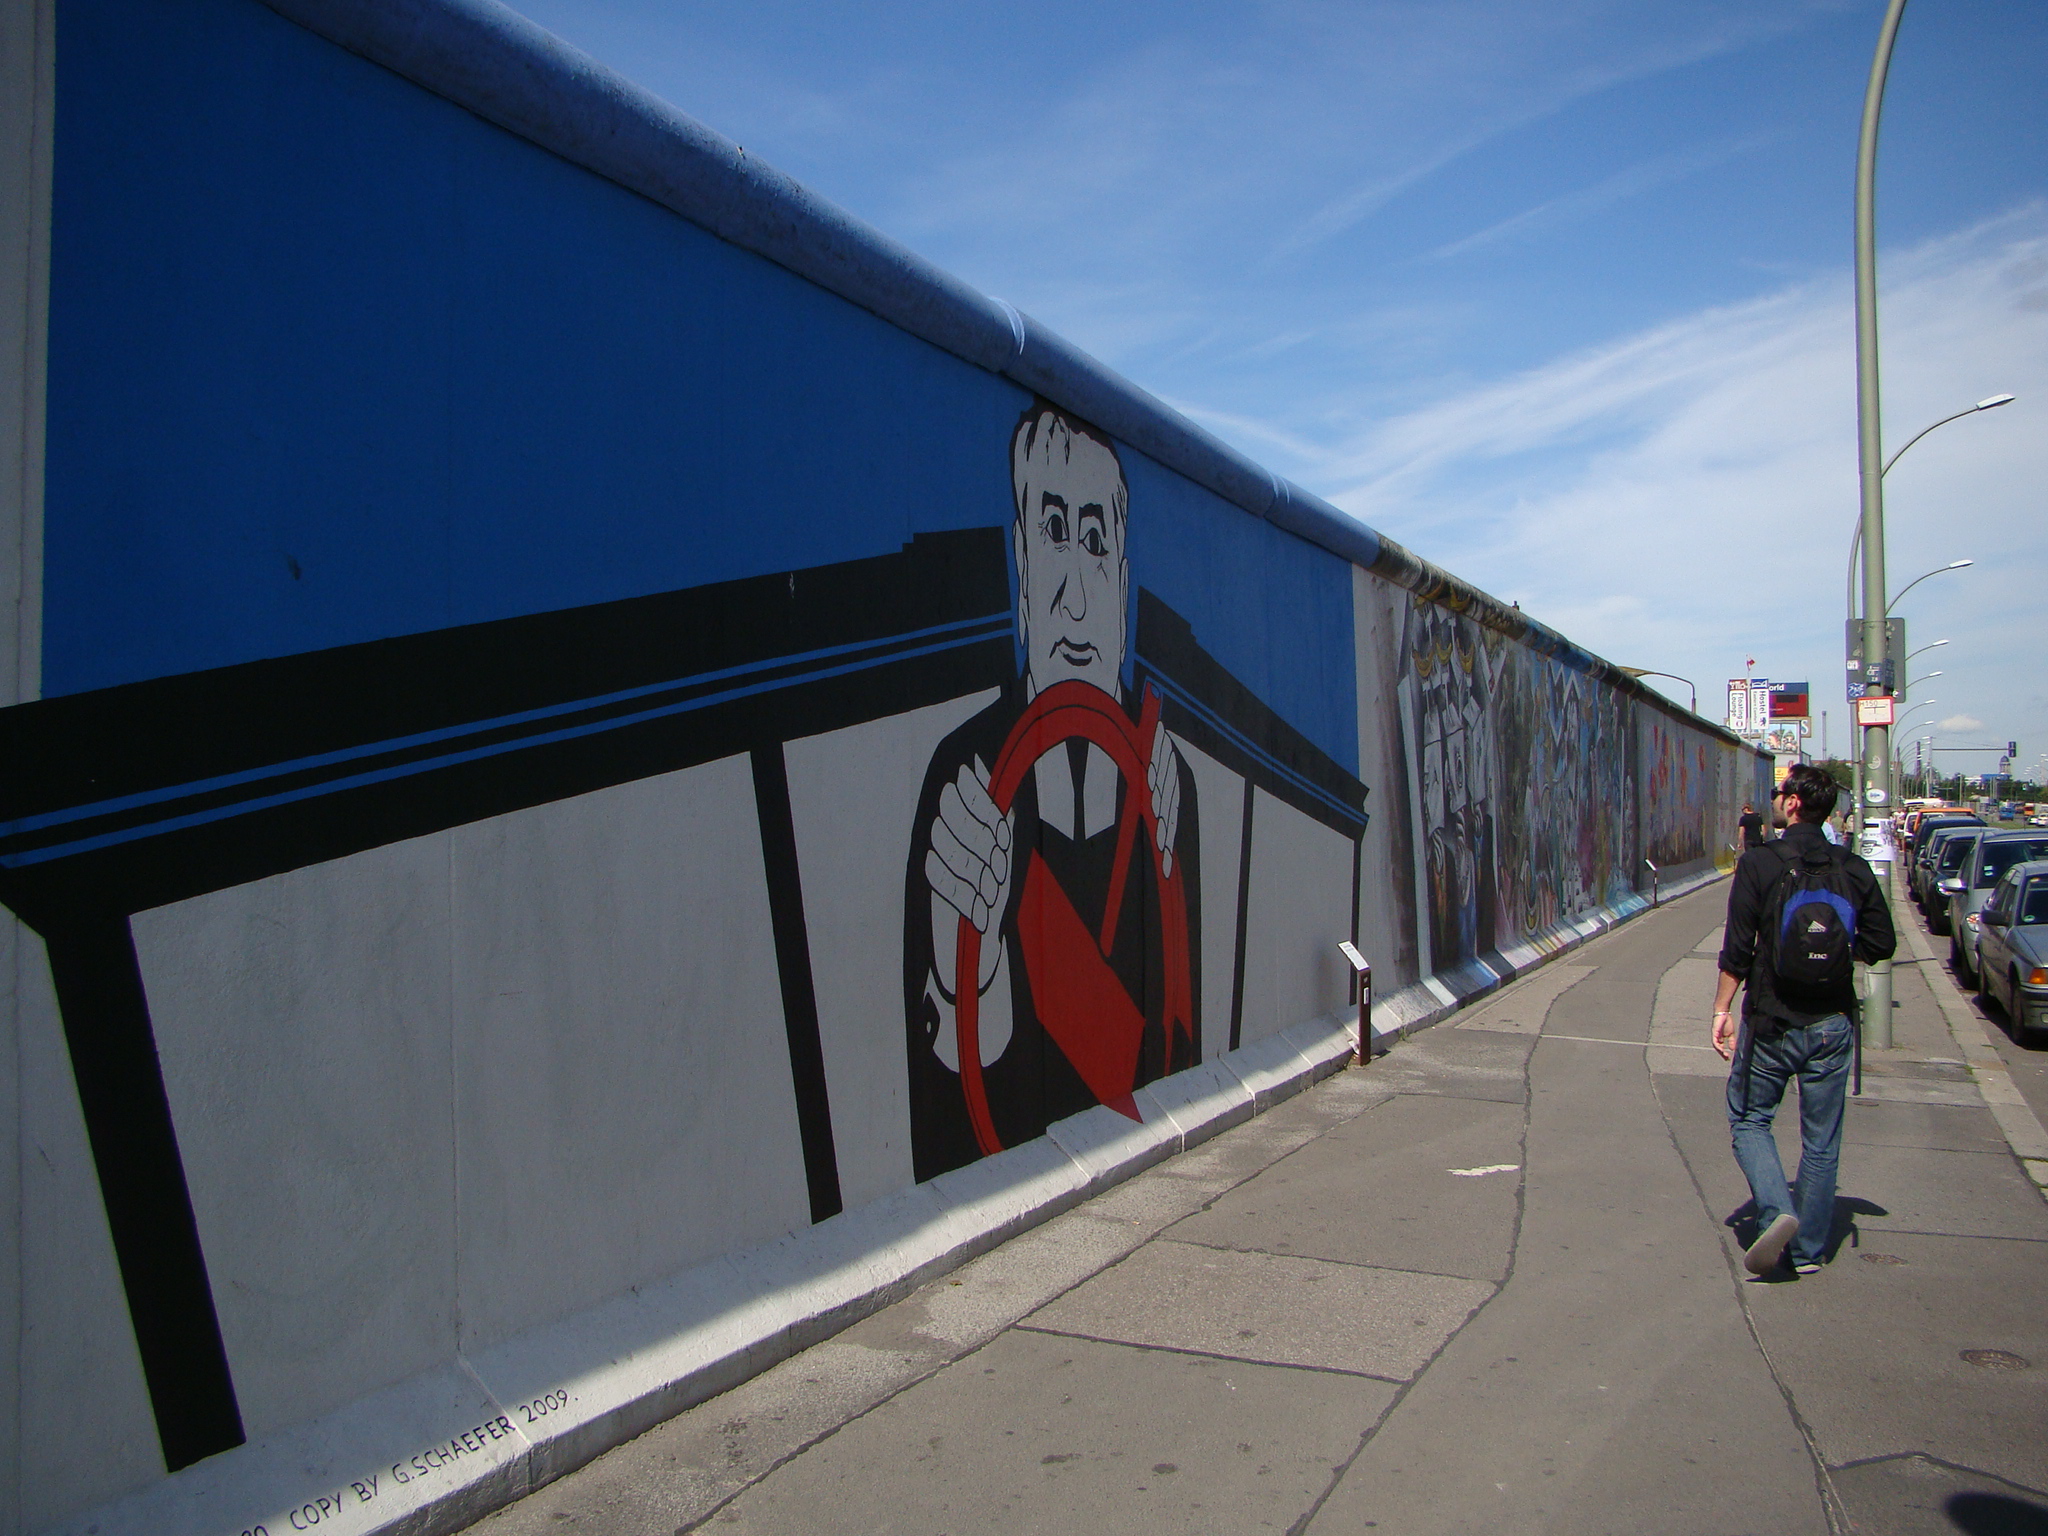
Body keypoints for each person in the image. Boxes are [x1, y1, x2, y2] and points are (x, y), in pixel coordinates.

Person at [902, 402, 1200, 1180]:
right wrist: (964, 975)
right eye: (1055, 533)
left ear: (1124, 584)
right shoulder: (963, 779)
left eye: (1096, 543)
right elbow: (942, 1126)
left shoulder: (1166, 783)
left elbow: (1180, 1040)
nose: (1075, 595)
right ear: (1022, 565)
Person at [1711, 762, 1895, 1276]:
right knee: (1821, 1141)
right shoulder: (1852, 868)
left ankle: (1777, 1212)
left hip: (1771, 1019)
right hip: (1832, 1022)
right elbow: (1882, 943)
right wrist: (1837, 958)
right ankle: (1810, 1250)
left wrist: (1722, 1010)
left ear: (1793, 804)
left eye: (1780, 792)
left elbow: (1736, 951)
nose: (1775, 798)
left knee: (1750, 1119)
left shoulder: (1760, 863)